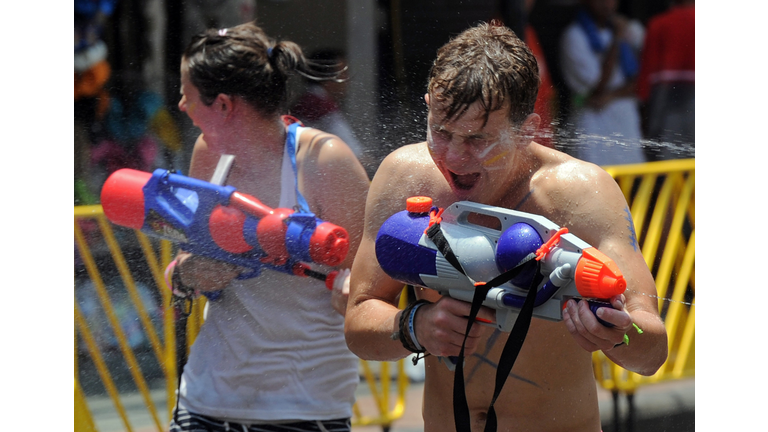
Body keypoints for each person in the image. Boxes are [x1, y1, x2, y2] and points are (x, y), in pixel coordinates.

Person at [344, 22, 667, 431]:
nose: (455, 157)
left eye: (478, 140)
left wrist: (619, 335)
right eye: (441, 133)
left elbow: (652, 352)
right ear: (427, 105)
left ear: (527, 129)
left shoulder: (580, 193)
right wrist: (414, 326)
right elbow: (358, 323)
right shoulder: (405, 176)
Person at [168, 21, 370, 432]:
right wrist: (188, 273)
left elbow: (375, 280)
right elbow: (182, 266)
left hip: (304, 405)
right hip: (205, 399)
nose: (180, 105)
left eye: (187, 95)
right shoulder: (208, 153)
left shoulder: (324, 160)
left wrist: (354, 287)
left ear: (223, 105)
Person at [559, 0, 646, 167]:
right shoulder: (573, 36)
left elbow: (643, 79)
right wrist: (616, 39)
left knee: (631, 180)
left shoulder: (629, 31)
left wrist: (612, 95)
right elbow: (598, 85)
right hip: (593, 124)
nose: (607, 4)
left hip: (625, 120)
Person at [291, 48, 371, 169]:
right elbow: (356, 155)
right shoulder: (321, 106)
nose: (347, 80)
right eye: (343, 73)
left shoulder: (305, 101)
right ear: (328, 77)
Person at [636, 0, 695, 161]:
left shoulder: (658, 24)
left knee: (667, 165)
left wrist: (644, 117)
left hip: (667, 106)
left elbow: (646, 77)